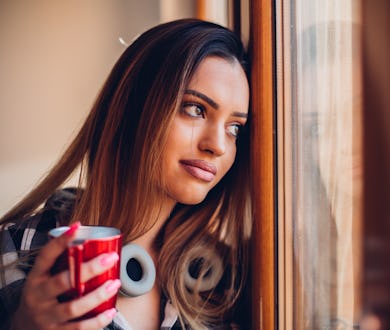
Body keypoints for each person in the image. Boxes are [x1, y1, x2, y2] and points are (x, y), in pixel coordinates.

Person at [0, 18, 252, 330]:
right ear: (135, 108)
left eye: (234, 128)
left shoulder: (227, 282)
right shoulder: (16, 247)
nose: (217, 145)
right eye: (195, 109)